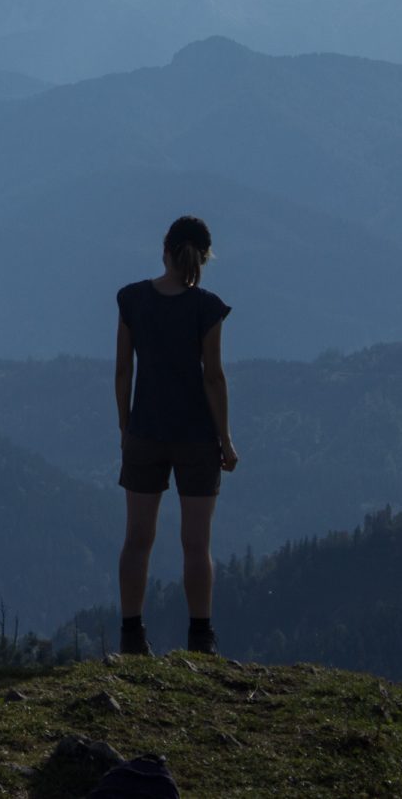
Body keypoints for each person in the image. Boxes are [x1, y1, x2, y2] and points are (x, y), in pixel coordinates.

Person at [113, 214, 238, 656]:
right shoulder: (207, 307)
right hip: (196, 437)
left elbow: (124, 369)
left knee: (137, 538)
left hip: (146, 430)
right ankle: (201, 637)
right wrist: (225, 439)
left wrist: (127, 429)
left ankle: (131, 635)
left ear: (164, 248)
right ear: (204, 257)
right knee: (196, 542)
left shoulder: (131, 299)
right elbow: (213, 378)